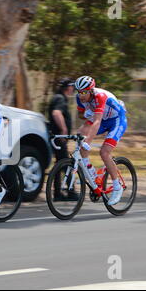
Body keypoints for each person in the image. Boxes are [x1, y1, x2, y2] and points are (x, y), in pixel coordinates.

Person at [74, 75, 127, 205]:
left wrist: (88, 142)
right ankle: (91, 173)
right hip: (103, 119)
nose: (81, 95)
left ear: (91, 90)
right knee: (80, 134)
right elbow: (81, 115)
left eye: (84, 92)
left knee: (104, 152)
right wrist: (85, 115)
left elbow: (97, 121)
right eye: (79, 92)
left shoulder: (100, 96)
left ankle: (117, 186)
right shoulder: (79, 98)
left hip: (116, 121)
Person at [48, 78, 78, 201]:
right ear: (68, 87)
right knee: (66, 164)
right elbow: (56, 113)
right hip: (59, 137)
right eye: (72, 87)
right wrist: (64, 129)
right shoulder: (60, 98)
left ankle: (58, 194)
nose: (73, 89)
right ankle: (70, 192)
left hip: (57, 137)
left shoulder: (58, 97)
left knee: (59, 165)